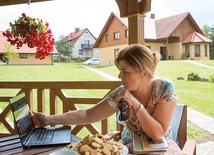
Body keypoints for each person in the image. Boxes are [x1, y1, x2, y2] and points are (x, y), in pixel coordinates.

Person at [32, 44, 180, 154]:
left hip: (161, 149)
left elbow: (157, 134)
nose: (119, 76)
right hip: (129, 148)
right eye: (119, 71)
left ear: (144, 73)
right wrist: (48, 119)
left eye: (125, 72)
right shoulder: (121, 94)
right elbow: (87, 115)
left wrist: (135, 104)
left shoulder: (164, 88)